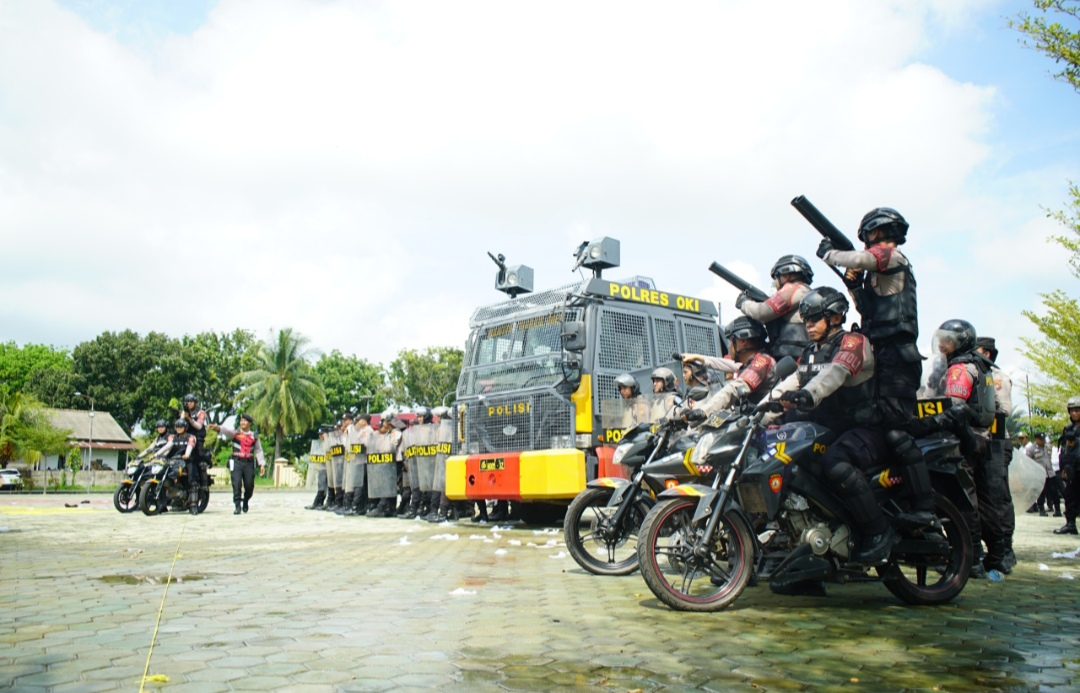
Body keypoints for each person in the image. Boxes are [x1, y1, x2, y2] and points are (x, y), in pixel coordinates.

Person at [818, 207, 934, 528]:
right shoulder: (877, 274)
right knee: (875, 424)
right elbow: (866, 308)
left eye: (868, 237)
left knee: (896, 431)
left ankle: (924, 508)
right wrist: (854, 285)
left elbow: (863, 258)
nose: (868, 243)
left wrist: (832, 255)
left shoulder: (895, 259)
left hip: (898, 356)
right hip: (881, 356)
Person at [769, 287, 898, 570]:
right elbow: (792, 381)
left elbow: (837, 371)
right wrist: (764, 407)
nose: (809, 325)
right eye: (806, 320)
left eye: (815, 318)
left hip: (863, 428)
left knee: (835, 462)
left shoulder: (853, 342)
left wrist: (809, 394)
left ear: (835, 316)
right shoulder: (810, 351)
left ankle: (879, 531)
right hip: (829, 430)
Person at [909, 319, 1004, 575]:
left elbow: (955, 408)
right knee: (984, 499)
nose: (942, 344)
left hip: (964, 437)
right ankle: (999, 553)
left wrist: (926, 425)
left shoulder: (959, 368)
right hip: (982, 437)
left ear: (960, 342)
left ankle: (971, 557)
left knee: (964, 498)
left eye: (948, 339)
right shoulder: (980, 364)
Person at [685, 316, 777, 421]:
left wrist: (704, 411)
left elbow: (734, 389)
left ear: (743, 340)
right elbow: (722, 363)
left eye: (732, 341)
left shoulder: (762, 362)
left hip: (765, 428)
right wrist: (698, 358)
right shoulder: (748, 364)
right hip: (751, 424)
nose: (729, 346)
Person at [976, 336, 1016, 569]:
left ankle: (1005, 549)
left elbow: (1004, 409)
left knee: (998, 496)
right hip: (978, 442)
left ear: (987, 353)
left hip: (996, 443)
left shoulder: (997, 377)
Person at [736, 255, 813, 360]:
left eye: (777, 277)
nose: (775, 282)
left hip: (794, 358)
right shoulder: (803, 291)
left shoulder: (794, 289)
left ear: (786, 275)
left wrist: (744, 303)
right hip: (793, 357)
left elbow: (762, 312)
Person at [209, 414, 266, 515]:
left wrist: (261, 464)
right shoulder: (235, 433)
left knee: (249, 485)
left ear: (250, 423)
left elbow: (259, 450)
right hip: (236, 462)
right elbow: (226, 431)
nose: (242, 423)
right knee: (237, 484)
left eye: (245, 421)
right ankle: (237, 505)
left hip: (248, 463)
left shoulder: (254, 436)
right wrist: (217, 428)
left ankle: (246, 501)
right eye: (241, 421)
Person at [157, 419, 200, 515]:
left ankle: (193, 507)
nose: (179, 429)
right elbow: (166, 447)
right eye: (177, 427)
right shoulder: (174, 438)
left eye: (181, 427)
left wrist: (187, 454)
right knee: (162, 476)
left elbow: (190, 446)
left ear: (185, 428)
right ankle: (162, 505)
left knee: (192, 482)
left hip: (188, 461)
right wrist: (156, 454)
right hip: (175, 461)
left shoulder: (191, 437)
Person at [1054, 397, 1080, 535]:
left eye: (1077, 410)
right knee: (1070, 496)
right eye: (1072, 411)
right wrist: (1063, 467)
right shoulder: (1068, 429)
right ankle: (1070, 524)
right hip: (1072, 470)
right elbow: (1064, 450)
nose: (1075, 414)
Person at [366, 414, 400, 517]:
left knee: (388, 484)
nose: (382, 424)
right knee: (388, 483)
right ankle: (390, 508)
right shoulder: (389, 433)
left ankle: (381, 507)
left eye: (383, 421)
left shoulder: (396, 432)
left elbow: (391, 447)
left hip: (396, 461)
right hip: (387, 461)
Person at [342, 413, 372, 516]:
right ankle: (357, 506)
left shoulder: (369, 431)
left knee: (359, 485)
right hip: (357, 461)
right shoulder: (359, 431)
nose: (358, 422)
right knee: (357, 484)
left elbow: (366, 444)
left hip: (364, 461)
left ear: (365, 421)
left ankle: (355, 506)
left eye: (360, 420)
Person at [181, 394, 211, 494]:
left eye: (191, 401)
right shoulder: (184, 412)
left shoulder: (201, 413)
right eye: (187, 401)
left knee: (199, 461)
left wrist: (189, 418)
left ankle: (203, 484)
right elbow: (180, 424)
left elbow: (198, 426)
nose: (189, 403)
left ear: (195, 402)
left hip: (198, 438)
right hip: (186, 438)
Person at [1027, 432, 1057, 516]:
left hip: (1050, 473)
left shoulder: (1048, 446)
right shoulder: (1031, 449)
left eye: (1043, 439)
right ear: (1036, 439)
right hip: (1040, 475)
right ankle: (1042, 510)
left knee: (1054, 492)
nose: (1043, 441)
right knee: (1041, 493)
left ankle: (1057, 509)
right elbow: (1028, 462)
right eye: (1041, 439)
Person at [305, 426, 330, 510]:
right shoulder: (321, 444)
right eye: (319, 435)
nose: (320, 436)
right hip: (322, 467)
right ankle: (318, 502)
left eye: (322, 434)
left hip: (329, 468)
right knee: (321, 485)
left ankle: (319, 502)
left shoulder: (330, 443)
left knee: (326, 486)